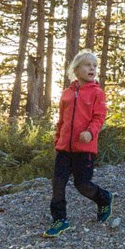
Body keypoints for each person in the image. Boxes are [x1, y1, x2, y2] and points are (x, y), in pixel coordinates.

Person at [43, 52, 115, 237]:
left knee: (82, 184)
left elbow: (99, 117)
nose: (92, 68)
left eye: (94, 65)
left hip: (84, 149)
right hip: (64, 149)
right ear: (76, 70)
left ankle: (104, 198)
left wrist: (90, 132)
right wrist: (57, 139)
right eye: (87, 65)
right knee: (58, 184)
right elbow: (61, 120)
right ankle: (60, 219)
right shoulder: (67, 94)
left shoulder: (97, 93)